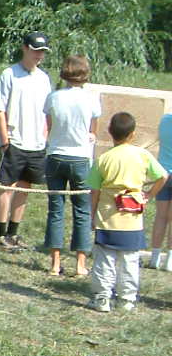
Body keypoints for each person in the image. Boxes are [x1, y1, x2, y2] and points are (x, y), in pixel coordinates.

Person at [84, 111, 167, 313]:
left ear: (110, 131)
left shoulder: (103, 159)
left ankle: (102, 297)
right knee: (130, 259)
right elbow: (163, 176)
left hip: (107, 217)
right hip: (132, 217)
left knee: (105, 259)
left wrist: (92, 215)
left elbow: (94, 192)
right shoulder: (142, 155)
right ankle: (127, 299)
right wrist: (149, 195)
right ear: (133, 134)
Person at [0, 31, 53, 252]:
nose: (39, 55)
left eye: (42, 52)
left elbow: (48, 111)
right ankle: (0, 235)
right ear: (25, 48)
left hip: (36, 144)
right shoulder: (9, 74)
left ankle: (13, 233)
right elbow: (0, 109)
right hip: (14, 141)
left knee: (25, 188)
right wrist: (5, 139)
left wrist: (45, 136)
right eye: (35, 50)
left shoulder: (44, 78)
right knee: (7, 187)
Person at [42, 54, 101, 277]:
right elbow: (93, 130)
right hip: (80, 158)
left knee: (55, 210)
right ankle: (80, 265)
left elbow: (49, 127)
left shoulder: (53, 97)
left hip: (56, 156)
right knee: (82, 211)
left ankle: (55, 263)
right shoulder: (91, 99)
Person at [151, 110, 172, 265]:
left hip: (162, 174)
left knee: (160, 217)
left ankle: (155, 258)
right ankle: (170, 260)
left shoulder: (164, 120)